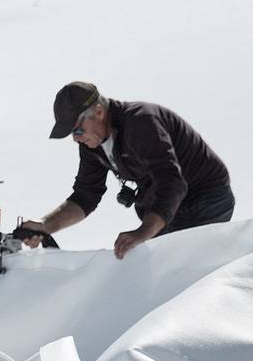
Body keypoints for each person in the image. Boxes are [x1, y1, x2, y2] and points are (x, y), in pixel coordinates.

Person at [17, 81, 236, 258]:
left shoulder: (142, 122)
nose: (76, 139)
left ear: (99, 112)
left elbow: (172, 183)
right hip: (170, 209)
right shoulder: (92, 145)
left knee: (174, 271)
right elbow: (85, 196)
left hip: (204, 200)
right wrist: (46, 226)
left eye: (77, 130)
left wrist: (143, 232)